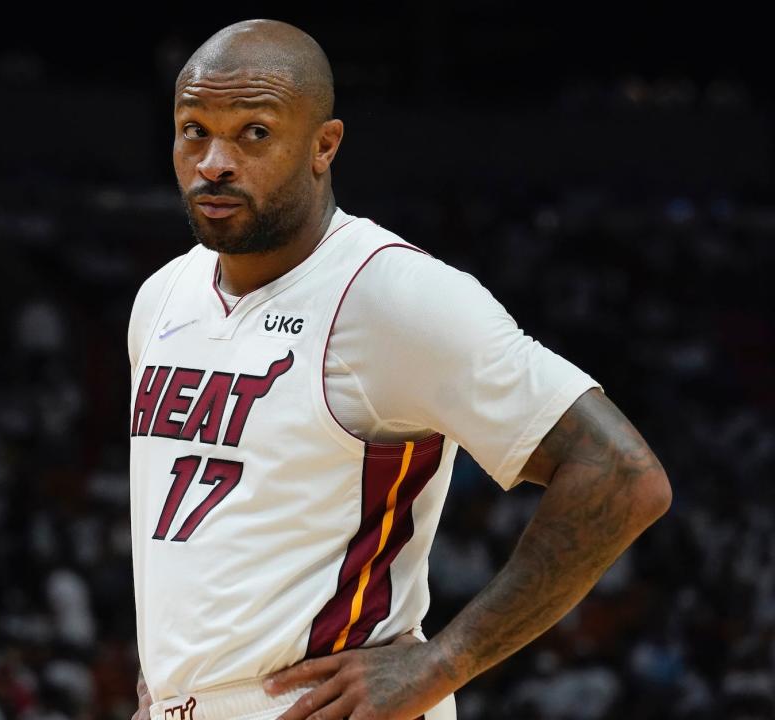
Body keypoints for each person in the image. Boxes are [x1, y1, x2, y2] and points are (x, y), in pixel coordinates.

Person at [128, 18, 672, 720]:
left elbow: (623, 474)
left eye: (253, 133)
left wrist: (442, 664)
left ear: (323, 145)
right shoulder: (163, 297)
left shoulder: (393, 294)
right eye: (194, 130)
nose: (214, 162)